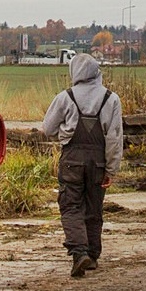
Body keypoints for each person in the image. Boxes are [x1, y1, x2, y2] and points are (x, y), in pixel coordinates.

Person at [39, 53, 125, 278]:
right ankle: (93, 256)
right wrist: (111, 169)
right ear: (97, 72)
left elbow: (47, 128)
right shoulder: (111, 99)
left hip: (71, 161)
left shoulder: (65, 97)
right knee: (94, 207)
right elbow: (115, 138)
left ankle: (79, 253)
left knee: (70, 206)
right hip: (98, 162)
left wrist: (64, 134)